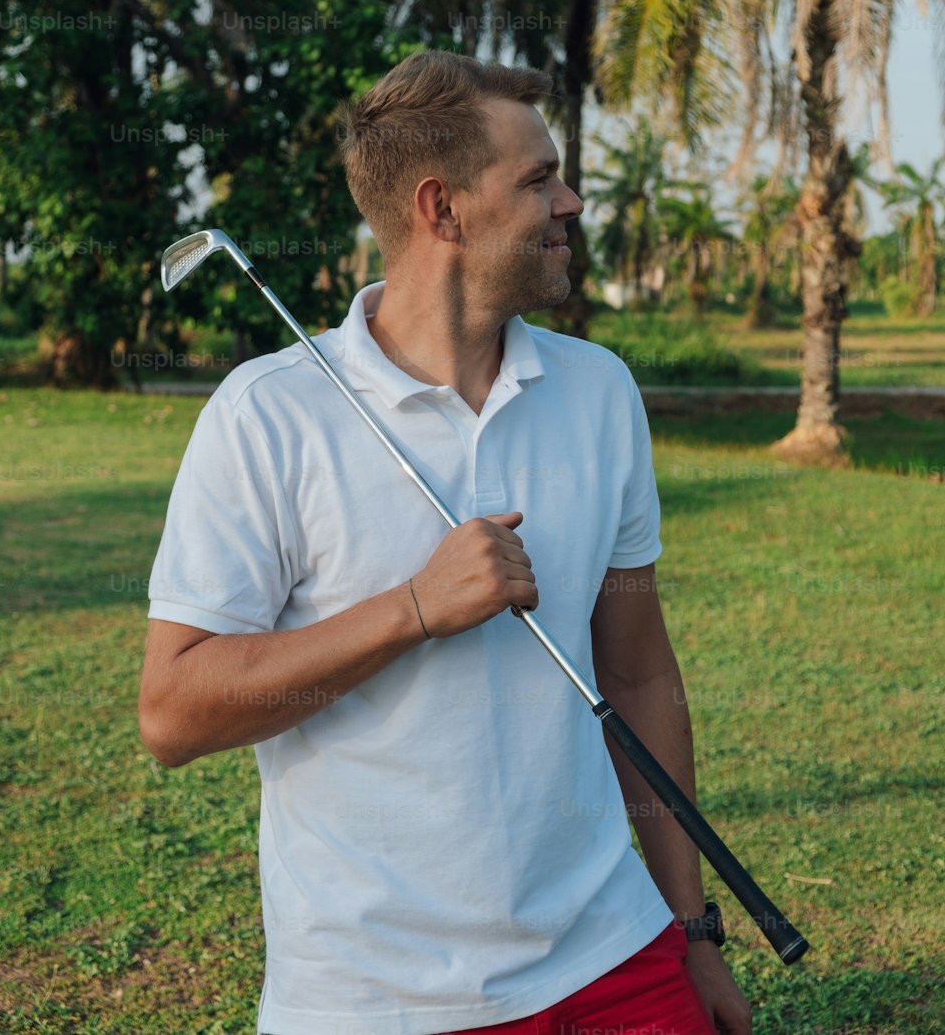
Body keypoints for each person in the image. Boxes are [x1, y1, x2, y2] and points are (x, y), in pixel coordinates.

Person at [138, 50, 752, 1035]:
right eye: (539, 180)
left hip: (617, 955)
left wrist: (693, 930)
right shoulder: (267, 416)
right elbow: (172, 713)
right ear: (442, 210)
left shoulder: (600, 392)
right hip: (379, 999)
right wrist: (413, 610)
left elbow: (636, 676)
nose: (574, 202)